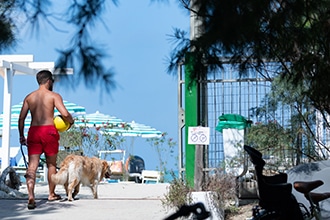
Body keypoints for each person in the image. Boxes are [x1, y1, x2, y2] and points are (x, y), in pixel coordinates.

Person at [18, 70, 74, 210]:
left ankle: (31, 195)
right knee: (51, 165)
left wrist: (21, 135)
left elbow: (21, 118)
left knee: (32, 166)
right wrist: (71, 122)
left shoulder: (29, 97)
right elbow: (65, 113)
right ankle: (51, 193)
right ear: (49, 81)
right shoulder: (53, 96)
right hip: (49, 131)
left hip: (34, 132)